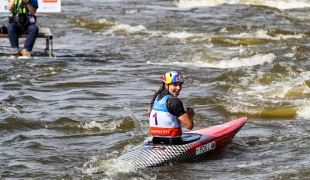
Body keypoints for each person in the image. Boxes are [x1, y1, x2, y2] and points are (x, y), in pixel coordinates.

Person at [148, 71, 195, 145]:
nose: (179, 88)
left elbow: (149, 113)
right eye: (175, 84)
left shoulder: (156, 98)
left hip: (155, 141)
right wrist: (190, 114)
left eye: (180, 85)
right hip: (173, 144)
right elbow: (189, 126)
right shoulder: (174, 101)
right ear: (166, 85)